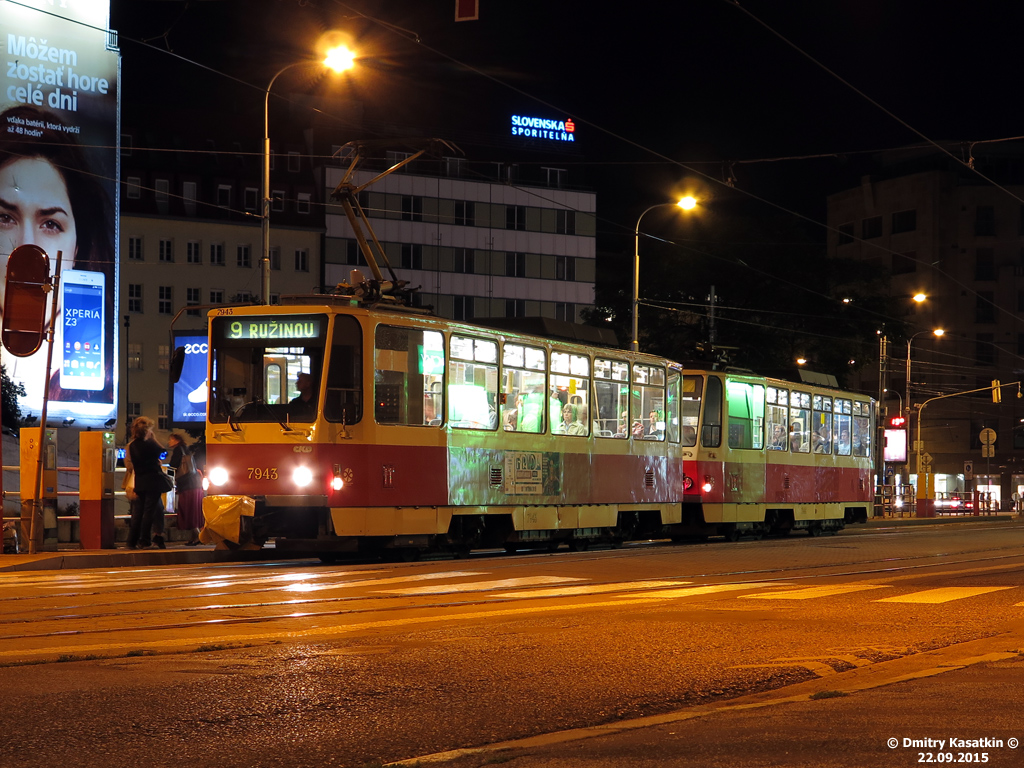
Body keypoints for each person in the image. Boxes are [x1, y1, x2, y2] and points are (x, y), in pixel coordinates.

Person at [0, 105, 116, 403]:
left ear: (77, 248)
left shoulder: (92, 385)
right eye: (5, 218)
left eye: (50, 224)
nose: (27, 246)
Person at [126, 417, 170, 550]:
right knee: (149, 512)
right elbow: (164, 452)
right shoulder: (150, 444)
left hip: (139, 481)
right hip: (153, 481)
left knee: (138, 513)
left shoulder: (132, 445)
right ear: (147, 431)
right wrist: (154, 439)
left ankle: (133, 541)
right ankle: (144, 540)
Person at [167, 433, 204, 546]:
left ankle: (197, 536)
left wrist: (167, 477)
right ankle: (195, 537)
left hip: (187, 486)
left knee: (187, 511)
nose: (169, 442)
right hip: (195, 484)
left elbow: (173, 467)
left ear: (176, 440)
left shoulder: (178, 450)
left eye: (171, 439)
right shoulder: (186, 449)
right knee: (192, 511)